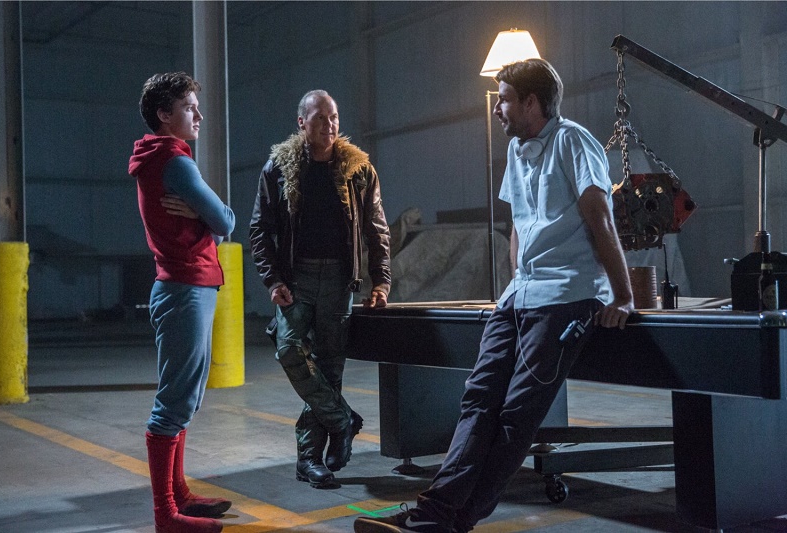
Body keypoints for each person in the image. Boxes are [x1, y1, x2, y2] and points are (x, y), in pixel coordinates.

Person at [354, 58, 634, 533]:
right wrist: (514, 284)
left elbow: (599, 215)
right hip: (519, 299)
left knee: (515, 417)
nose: (496, 108)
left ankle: (443, 518)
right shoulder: (517, 151)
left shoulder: (573, 141)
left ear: (531, 102)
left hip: (565, 299)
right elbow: (518, 226)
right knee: (478, 400)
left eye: (504, 99)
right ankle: (437, 517)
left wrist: (622, 296)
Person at [249, 89, 391, 489]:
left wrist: (381, 281)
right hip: (296, 279)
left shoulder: (359, 170)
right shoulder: (279, 168)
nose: (329, 125)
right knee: (289, 349)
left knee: (329, 367)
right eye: (320, 118)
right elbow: (259, 229)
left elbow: (377, 229)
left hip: (339, 281)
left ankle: (309, 460)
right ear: (302, 123)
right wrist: (273, 280)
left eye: (334, 117)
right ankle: (342, 420)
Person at [129, 72, 236, 533]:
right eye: (190, 107)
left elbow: (214, 222)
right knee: (174, 403)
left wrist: (200, 214)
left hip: (186, 288)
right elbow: (226, 221)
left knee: (184, 399)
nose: (199, 116)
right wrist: (207, 214)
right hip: (184, 289)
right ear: (163, 114)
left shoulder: (160, 158)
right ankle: (166, 514)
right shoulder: (174, 160)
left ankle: (180, 496)